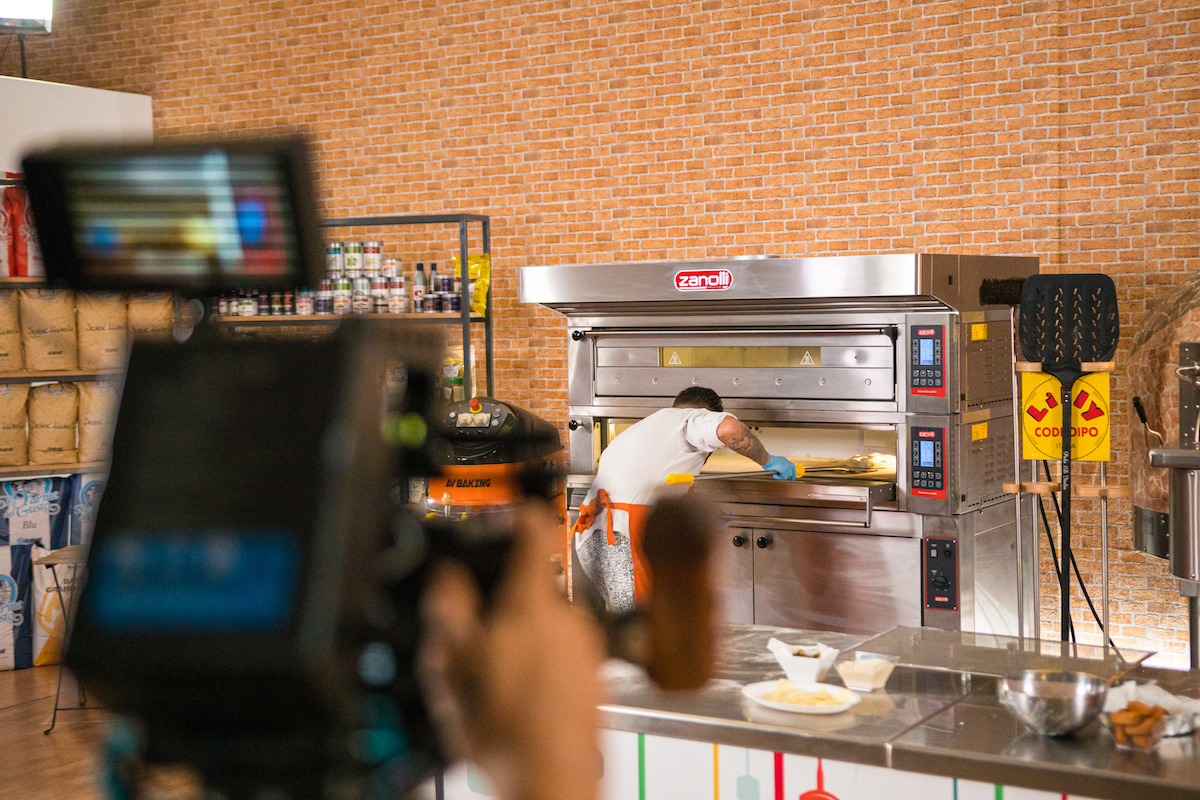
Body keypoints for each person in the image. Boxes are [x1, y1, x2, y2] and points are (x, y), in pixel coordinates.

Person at [571, 386, 796, 612]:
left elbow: (659, 485)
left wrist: (698, 515)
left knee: (627, 621)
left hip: (591, 538)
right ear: (706, 411)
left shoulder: (649, 427)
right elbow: (729, 428)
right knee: (640, 626)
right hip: (621, 538)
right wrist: (769, 461)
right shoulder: (692, 419)